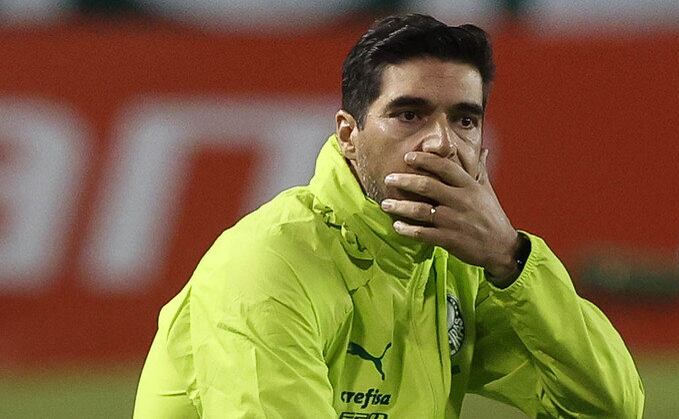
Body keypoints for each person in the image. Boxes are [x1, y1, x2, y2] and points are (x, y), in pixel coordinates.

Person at [134, 13, 645, 418]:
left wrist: (511, 260)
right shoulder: (269, 264)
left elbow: (608, 407)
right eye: (409, 115)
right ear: (348, 135)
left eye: (465, 120)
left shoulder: (460, 265)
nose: (442, 142)